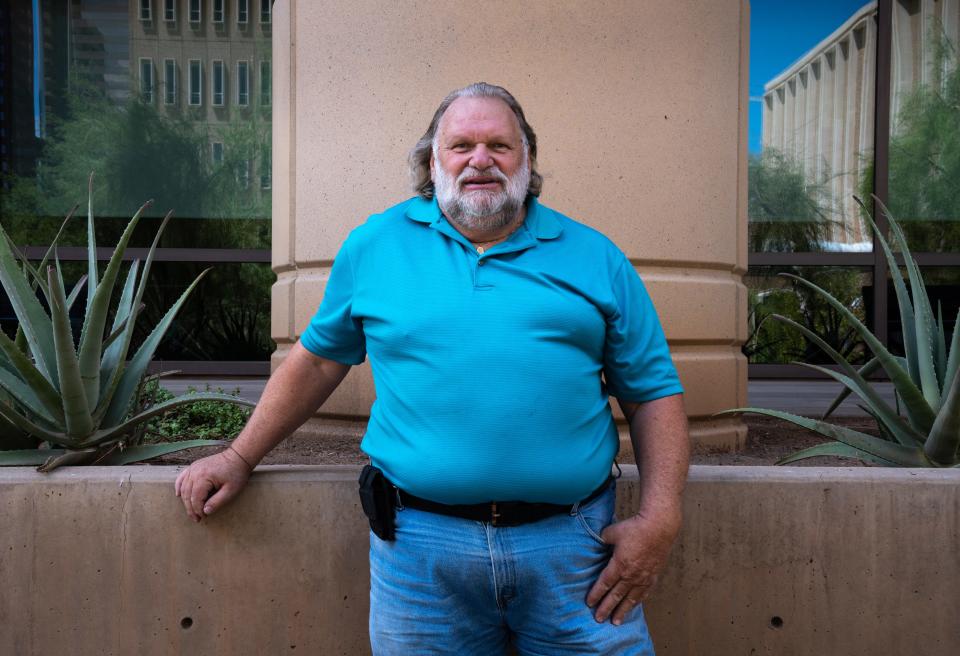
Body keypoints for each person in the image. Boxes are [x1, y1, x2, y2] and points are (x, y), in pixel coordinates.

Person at [175, 82, 690, 655]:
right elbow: (319, 361)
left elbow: (652, 394)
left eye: (500, 145)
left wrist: (660, 518)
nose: (480, 160)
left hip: (575, 552)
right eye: (461, 145)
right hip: (420, 556)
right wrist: (240, 455)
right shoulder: (375, 245)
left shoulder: (596, 257)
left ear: (527, 159)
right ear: (431, 160)